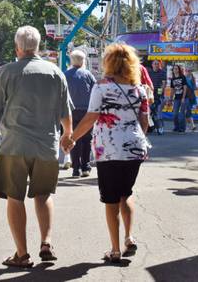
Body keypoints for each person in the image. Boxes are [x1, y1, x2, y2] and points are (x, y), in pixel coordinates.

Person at [0, 26, 74, 268]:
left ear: (17, 47)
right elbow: (65, 112)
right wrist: (68, 134)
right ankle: (46, 242)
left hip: (14, 145)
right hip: (47, 145)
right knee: (44, 194)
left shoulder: (7, 72)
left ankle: (22, 254)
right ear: (37, 47)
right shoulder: (56, 73)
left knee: (14, 197)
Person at [66, 43, 150, 263]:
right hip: (135, 147)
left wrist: (72, 138)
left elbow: (91, 117)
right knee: (126, 193)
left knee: (110, 199)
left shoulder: (102, 87)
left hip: (109, 149)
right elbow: (145, 122)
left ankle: (114, 249)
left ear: (108, 63)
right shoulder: (139, 89)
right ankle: (129, 237)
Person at [64, 49, 96, 178]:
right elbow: (95, 90)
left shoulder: (65, 74)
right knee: (87, 139)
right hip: (86, 111)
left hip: (70, 111)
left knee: (73, 138)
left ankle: (75, 168)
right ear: (83, 61)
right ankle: (85, 167)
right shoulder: (88, 74)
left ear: (71, 61)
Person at [147, 61, 166, 134]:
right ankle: (151, 127)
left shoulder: (162, 72)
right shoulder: (150, 73)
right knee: (150, 112)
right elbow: (147, 83)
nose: (156, 65)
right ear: (152, 65)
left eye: (157, 64)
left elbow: (163, 84)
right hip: (151, 96)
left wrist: (159, 93)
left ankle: (161, 127)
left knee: (158, 112)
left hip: (159, 96)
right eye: (155, 64)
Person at [170, 65, 188, 133]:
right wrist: (171, 98)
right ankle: (176, 127)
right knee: (175, 114)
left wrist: (183, 97)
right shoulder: (173, 79)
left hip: (184, 97)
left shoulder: (182, 77)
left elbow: (185, 88)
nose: (175, 70)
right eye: (174, 69)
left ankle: (182, 128)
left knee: (182, 114)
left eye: (176, 69)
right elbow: (172, 89)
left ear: (179, 70)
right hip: (176, 98)